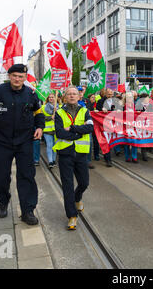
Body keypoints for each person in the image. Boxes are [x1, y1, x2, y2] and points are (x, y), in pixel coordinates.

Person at [0, 64, 45, 225]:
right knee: (1, 176)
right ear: (9, 76)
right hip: (1, 141)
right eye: (14, 76)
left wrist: (40, 127)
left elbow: (38, 113)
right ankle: (3, 201)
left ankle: (27, 211)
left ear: (25, 77)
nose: (17, 79)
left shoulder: (31, 94)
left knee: (26, 176)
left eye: (21, 76)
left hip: (24, 141)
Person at [53, 86, 93, 230]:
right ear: (64, 97)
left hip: (81, 154)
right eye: (69, 94)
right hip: (65, 154)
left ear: (79, 96)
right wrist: (79, 132)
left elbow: (90, 128)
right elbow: (59, 133)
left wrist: (72, 128)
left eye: (74, 94)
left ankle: (77, 198)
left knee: (84, 183)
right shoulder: (59, 113)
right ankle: (72, 216)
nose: (71, 96)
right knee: (67, 186)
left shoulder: (85, 111)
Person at [42, 93, 58, 168]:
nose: (51, 98)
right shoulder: (44, 107)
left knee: (55, 146)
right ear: (47, 99)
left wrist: (57, 112)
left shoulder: (59, 107)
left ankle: (54, 160)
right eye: (50, 97)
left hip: (56, 130)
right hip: (47, 130)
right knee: (49, 145)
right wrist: (50, 118)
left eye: (52, 97)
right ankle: (50, 161)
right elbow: (41, 118)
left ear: (55, 98)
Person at [123, 92, 138, 163]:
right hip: (125, 126)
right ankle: (127, 157)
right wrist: (122, 112)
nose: (130, 99)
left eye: (131, 97)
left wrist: (137, 113)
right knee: (127, 142)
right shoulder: (123, 105)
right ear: (126, 98)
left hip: (133, 125)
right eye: (128, 97)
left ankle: (134, 157)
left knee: (134, 141)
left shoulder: (133, 105)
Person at [86, 94, 100, 163]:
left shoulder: (97, 105)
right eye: (92, 97)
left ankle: (96, 155)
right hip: (90, 126)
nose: (94, 98)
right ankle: (88, 159)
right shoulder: (87, 105)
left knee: (96, 142)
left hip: (96, 126)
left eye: (94, 97)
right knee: (90, 142)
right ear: (89, 98)